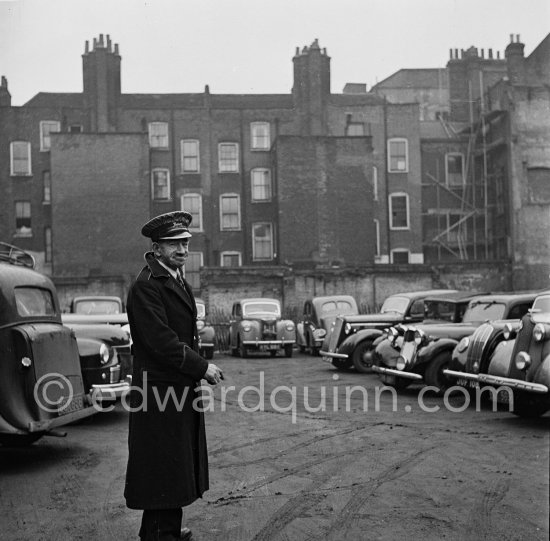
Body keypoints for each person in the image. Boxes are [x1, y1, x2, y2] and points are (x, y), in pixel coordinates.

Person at [124, 211, 224, 541]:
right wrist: (201, 367)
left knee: (173, 464)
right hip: (158, 391)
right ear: (156, 248)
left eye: (185, 243)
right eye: (173, 244)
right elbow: (162, 341)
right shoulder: (146, 286)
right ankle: (158, 533)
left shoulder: (175, 278)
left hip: (175, 389)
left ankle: (165, 528)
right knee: (162, 465)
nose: (182, 250)